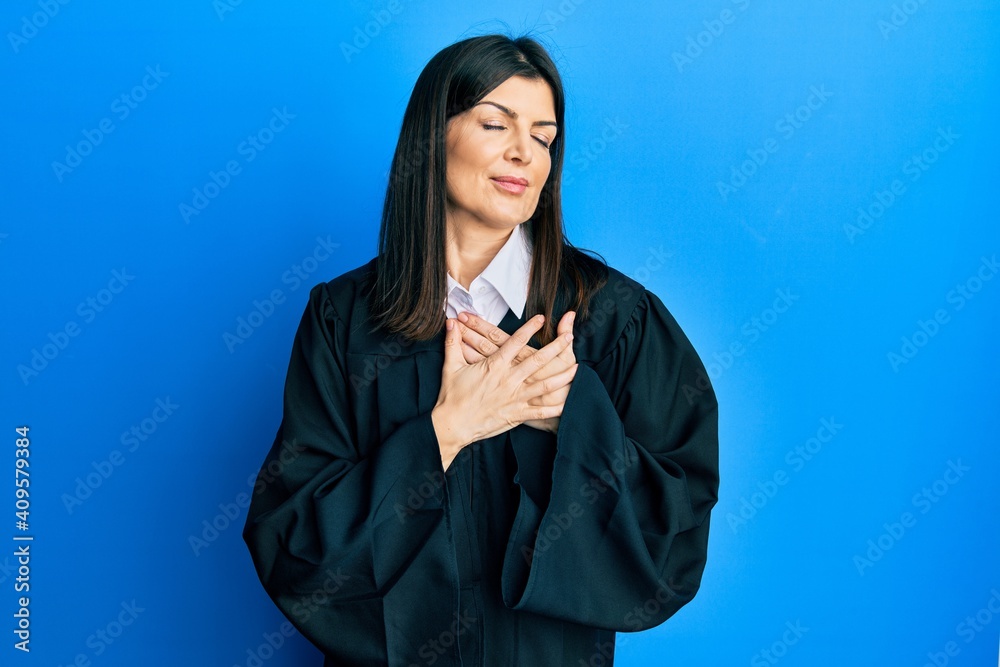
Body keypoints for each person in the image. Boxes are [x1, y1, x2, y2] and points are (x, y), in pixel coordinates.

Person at [243, 32, 719, 667]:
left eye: (544, 138)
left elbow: (675, 529)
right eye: (496, 124)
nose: (524, 152)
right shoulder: (345, 320)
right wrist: (447, 430)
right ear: (432, 137)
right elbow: (293, 545)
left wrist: (570, 418)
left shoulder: (612, 316)